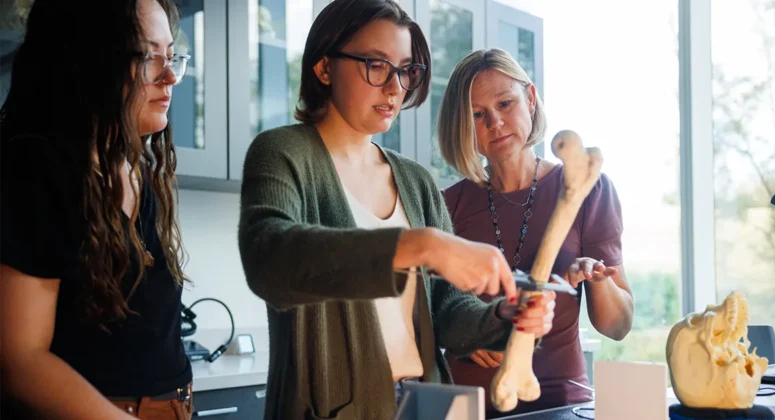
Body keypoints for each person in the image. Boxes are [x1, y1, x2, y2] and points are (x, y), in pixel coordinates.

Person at [237, 1, 557, 418]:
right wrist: (419, 246)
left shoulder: (416, 181)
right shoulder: (282, 153)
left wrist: (503, 317)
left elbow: (447, 310)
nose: (394, 87)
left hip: (426, 408)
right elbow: (270, 259)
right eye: (376, 65)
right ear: (324, 68)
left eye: (405, 70)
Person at [0, 1, 194, 419]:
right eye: (147, 57)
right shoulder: (36, 169)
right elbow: (20, 359)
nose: (171, 75)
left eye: (171, 54)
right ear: (88, 61)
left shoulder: (141, 171)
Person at [436, 48, 634, 418]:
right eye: (478, 115)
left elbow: (617, 326)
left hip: (560, 405)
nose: (495, 122)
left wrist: (597, 278)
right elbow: (427, 319)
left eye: (505, 103)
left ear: (530, 98)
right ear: (462, 126)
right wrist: (461, 336)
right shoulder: (446, 206)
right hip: (467, 406)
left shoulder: (588, 189)